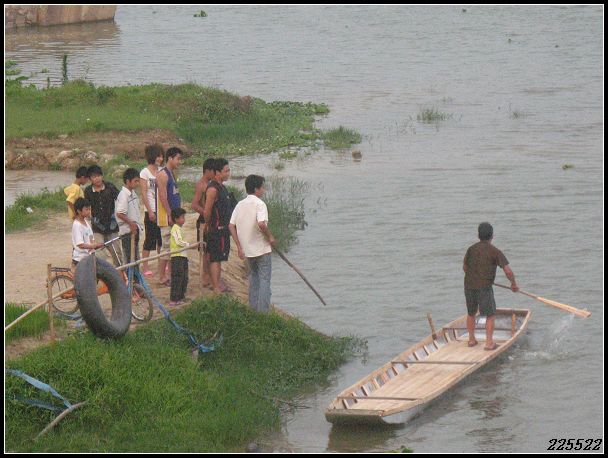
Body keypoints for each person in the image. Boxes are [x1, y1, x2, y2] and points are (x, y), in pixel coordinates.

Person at [463, 222, 519, 351]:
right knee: (490, 314)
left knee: (471, 313)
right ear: (492, 236)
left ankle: (471, 340)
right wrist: (513, 284)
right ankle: (489, 343)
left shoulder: (471, 249)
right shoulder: (495, 251)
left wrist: (476, 275)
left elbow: (465, 267)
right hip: (484, 287)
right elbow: (508, 271)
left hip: (469, 285)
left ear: (478, 235)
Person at [229, 175, 276, 313]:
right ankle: (263, 312)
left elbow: (231, 226)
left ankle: (253, 309)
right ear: (256, 189)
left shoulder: (240, 205)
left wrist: (239, 246)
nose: (264, 190)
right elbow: (261, 224)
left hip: (247, 251)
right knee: (264, 280)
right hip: (262, 249)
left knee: (254, 279)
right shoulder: (260, 204)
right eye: (262, 187)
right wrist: (270, 236)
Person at [202, 158, 232, 294]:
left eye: (229, 170)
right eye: (226, 171)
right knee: (215, 258)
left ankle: (216, 283)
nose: (228, 173)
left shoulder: (222, 187)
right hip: (216, 230)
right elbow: (207, 211)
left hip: (223, 230)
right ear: (217, 172)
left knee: (218, 258)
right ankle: (215, 287)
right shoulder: (213, 189)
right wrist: (208, 225)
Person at [155, 147, 183, 286]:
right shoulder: (163, 174)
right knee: (166, 248)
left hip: (174, 216)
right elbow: (163, 197)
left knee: (172, 248)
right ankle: (161, 277)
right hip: (166, 218)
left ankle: (170, 275)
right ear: (170, 158)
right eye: (178, 158)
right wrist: (170, 214)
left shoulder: (171, 173)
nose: (179, 162)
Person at [84, 165, 122, 266]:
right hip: (97, 226)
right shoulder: (88, 191)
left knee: (117, 252)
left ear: (102, 175)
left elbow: (120, 199)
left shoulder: (110, 187)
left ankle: (120, 271)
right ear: (90, 179)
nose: (97, 178)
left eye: (99, 175)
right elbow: (86, 207)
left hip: (112, 225)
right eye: (94, 176)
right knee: (100, 253)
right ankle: (102, 272)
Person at [140, 144, 165, 277]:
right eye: (158, 156)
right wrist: (149, 211)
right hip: (151, 209)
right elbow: (144, 193)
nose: (160, 159)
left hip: (161, 209)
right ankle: (145, 267)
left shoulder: (162, 171)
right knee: (150, 239)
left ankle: (162, 264)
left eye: (161, 156)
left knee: (161, 238)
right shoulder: (144, 173)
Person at [191, 158, 216, 287]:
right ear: (207, 171)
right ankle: (205, 276)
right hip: (203, 221)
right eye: (213, 171)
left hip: (211, 221)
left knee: (211, 250)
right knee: (205, 251)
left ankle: (211, 276)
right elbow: (194, 205)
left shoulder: (211, 184)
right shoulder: (201, 185)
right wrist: (206, 213)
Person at [115, 168, 142, 269]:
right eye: (135, 181)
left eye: (138, 181)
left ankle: (136, 277)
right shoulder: (123, 195)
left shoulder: (133, 193)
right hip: (127, 232)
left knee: (135, 257)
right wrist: (131, 224)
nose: (138, 183)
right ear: (128, 181)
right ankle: (130, 277)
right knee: (130, 258)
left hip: (134, 230)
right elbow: (120, 213)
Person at [71, 197, 104, 269]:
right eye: (86, 209)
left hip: (89, 256)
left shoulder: (86, 222)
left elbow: (91, 239)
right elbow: (80, 245)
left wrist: (97, 245)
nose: (89, 211)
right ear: (79, 211)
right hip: (81, 259)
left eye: (89, 209)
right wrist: (93, 246)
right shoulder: (77, 225)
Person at [169, 207, 189, 306]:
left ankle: (181, 296)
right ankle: (174, 298)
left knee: (184, 277)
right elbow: (178, 242)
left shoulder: (179, 229)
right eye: (182, 217)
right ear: (176, 219)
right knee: (177, 277)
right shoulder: (175, 228)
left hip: (183, 256)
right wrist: (188, 245)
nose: (183, 219)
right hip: (177, 256)